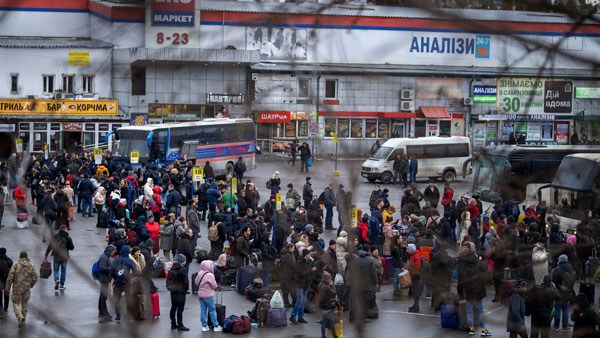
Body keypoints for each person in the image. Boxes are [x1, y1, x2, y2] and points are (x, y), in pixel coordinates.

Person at [348, 244, 378, 322]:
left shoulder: (355, 259)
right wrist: (375, 283)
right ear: (368, 251)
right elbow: (373, 274)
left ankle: (352, 317)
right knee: (365, 302)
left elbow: (351, 271)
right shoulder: (371, 260)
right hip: (367, 285)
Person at [44, 224, 75, 291]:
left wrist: (46, 255)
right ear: (65, 229)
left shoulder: (55, 236)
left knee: (56, 270)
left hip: (56, 256)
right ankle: (61, 285)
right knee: (63, 271)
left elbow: (50, 246)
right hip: (64, 256)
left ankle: (56, 279)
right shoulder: (68, 237)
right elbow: (72, 248)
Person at [111, 246, 137, 322]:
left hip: (118, 282)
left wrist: (116, 277)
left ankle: (118, 317)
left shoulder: (115, 260)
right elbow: (135, 271)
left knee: (117, 299)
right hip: (127, 283)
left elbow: (111, 271)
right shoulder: (129, 261)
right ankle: (129, 316)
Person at [195, 260, 223, 332]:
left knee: (203, 310)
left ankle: (204, 326)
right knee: (212, 310)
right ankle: (216, 326)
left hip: (201, 295)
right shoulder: (210, 275)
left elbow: (196, 283)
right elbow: (214, 286)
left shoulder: (200, 273)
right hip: (208, 295)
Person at [290, 248, 316, 325]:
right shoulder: (299, 262)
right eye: (308, 254)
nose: (309, 256)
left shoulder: (310, 262)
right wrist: (311, 270)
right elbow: (301, 273)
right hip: (299, 284)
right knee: (300, 300)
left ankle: (300, 317)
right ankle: (293, 316)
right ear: (305, 255)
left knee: (303, 301)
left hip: (306, 284)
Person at [551, 254, 575, 331]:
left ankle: (556, 326)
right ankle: (565, 326)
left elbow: (554, 280)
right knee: (565, 309)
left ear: (560, 260)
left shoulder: (558, 269)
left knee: (558, 308)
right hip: (567, 292)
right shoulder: (571, 268)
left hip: (558, 291)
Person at [167, 254, 190, 331]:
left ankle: (173, 323)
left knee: (173, 307)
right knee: (180, 309)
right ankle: (180, 324)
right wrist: (185, 290)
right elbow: (186, 282)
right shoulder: (183, 270)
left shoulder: (172, 269)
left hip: (173, 292)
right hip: (180, 292)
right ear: (183, 262)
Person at [97, 244, 116, 322]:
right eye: (113, 251)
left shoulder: (106, 257)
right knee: (104, 297)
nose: (114, 253)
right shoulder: (103, 258)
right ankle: (104, 313)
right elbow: (101, 268)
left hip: (106, 279)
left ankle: (101, 312)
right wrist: (111, 268)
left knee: (103, 296)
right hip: (104, 280)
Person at [318, 271, 339, 338]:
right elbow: (334, 293)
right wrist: (332, 285)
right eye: (329, 279)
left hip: (323, 304)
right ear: (327, 279)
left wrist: (332, 299)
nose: (330, 280)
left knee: (324, 321)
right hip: (328, 306)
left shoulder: (320, 285)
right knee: (332, 322)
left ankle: (323, 336)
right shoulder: (326, 287)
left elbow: (326, 296)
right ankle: (334, 335)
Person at [407, 243, 423, 313]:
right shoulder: (414, 255)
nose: (407, 250)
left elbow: (418, 266)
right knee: (415, 292)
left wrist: (414, 274)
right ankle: (415, 305)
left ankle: (416, 306)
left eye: (408, 248)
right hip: (415, 276)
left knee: (416, 292)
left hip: (416, 277)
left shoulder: (415, 256)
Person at [0, 248, 13, 319]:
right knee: (6, 295)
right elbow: (11, 265)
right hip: (7, 280)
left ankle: (1, 309)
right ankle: (5, 309)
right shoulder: (9, 260)